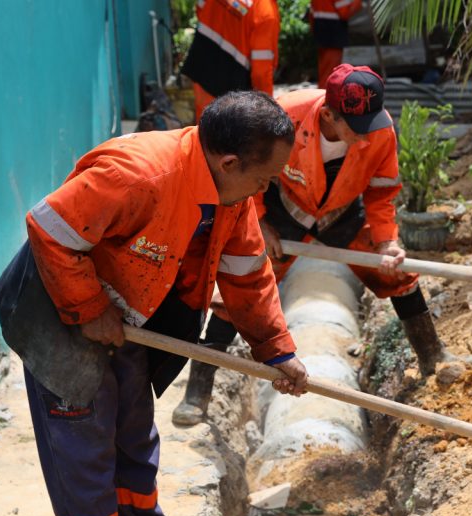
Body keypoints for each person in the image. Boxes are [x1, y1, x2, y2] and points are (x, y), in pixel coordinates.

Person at [21, 91, 307, 516]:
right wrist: (86, 307)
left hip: (129, 309)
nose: (266, 190)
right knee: (84, 440)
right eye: (264, 178)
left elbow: (247, 278)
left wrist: (278, 351)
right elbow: (49, 228)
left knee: (133, 424)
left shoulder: (232, 196)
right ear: (229, 163)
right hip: (57, 305)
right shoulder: (141, 174)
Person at [173, 64, 447, 427]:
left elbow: (382, 192)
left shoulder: (379, 129)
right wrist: (259, 223)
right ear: (329, 114)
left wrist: (386, 241)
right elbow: (248, 176)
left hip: (343, 213)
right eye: (357, 129)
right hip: (284, 211)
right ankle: (199, 391)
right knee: (238, 289)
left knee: (399, 276)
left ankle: (434, 359)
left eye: (371, 124)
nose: (366, 137)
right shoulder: (285, 118)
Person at [180, 0, 280, 121]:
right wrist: (268, 111)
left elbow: (200, 8)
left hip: (203, 62)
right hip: (232, 85)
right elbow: (260, 73)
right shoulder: (265, 13)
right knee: (224, 134)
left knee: (202, 127)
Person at [310, 0, 362, 84]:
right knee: (331, 72)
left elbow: (311, 15)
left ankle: (323, 93)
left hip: (320, 30)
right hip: (333, 33)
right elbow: (345, 12)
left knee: (324, 70)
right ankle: (326, 95)